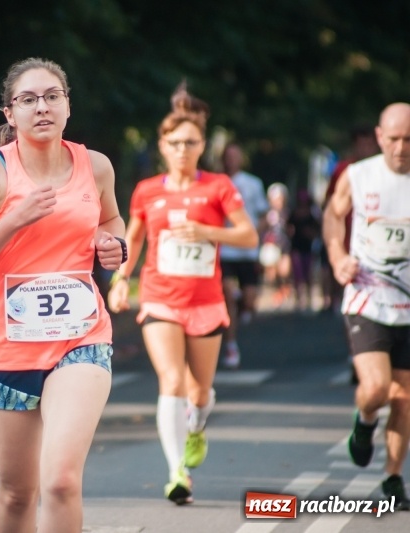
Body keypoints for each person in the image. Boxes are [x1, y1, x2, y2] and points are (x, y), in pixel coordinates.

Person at [0, 57, 125, 533]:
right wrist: (12, 220)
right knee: (16, 493)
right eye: (28, 100)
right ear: (10, 114)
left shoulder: (97, 166)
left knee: (62, 480)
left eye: (52, 96)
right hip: (7, 348)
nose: (41, 107)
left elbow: (110, 220)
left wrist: (114, 245)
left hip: (80, 337)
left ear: (68, 106)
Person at [107, 83, 258, 505]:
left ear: (202, 144)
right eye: (174, 143)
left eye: (191, 142)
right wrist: (121, 280)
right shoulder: (147, 190)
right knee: (171, 380)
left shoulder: (218, 187)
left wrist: (207, 231)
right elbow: (132, 241)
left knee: (200, 392)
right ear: (162, 145)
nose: (182, 150)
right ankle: (177, 472)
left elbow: (249, 236)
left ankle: (195, 427)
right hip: (159, 297)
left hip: (206, 303)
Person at [324, 102, 410, 510]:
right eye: (393, 139)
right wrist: (338, 256)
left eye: (409, 140)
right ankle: (365, 421)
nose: (401, 148)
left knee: (406, 399)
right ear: (379, 136)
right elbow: (333, 216)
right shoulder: (359, 176)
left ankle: (393, 477)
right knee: (376, 388)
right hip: (368, 299)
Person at [218, 142, 269, 369]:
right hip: (225, 249)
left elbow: (264, 214)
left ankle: (240, 305)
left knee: (249, 299)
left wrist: (253, 234)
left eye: (235, 156)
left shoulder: (252, 183)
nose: (231, 160)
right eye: (228, 156)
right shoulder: (217, 182)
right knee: (228, 293)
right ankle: (231, 344)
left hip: (247, 250)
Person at [321, 125, 379, 312]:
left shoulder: (389, 172)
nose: (365, 149)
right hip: (348, 235)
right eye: (360, 144)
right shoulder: (345, 170)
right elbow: (331, 206)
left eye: (368, 144)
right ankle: (336, 302)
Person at [287, 189, 321, 312]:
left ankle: (308, 299)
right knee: (297, 274)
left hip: (307, 247)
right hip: (296, 246)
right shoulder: (294, 213)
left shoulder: (311, 214)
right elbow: (288, 227)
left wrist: (310, 234)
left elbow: (317, 229)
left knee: (308, 274)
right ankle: (299, 299)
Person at [260, 182, 293, 307]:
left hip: (284, 245)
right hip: (271, 245)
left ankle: (284, 290)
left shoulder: (288, 213)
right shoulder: (267, 214)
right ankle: (276, 292)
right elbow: (261, 227)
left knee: (284, 271)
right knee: (271, 273)